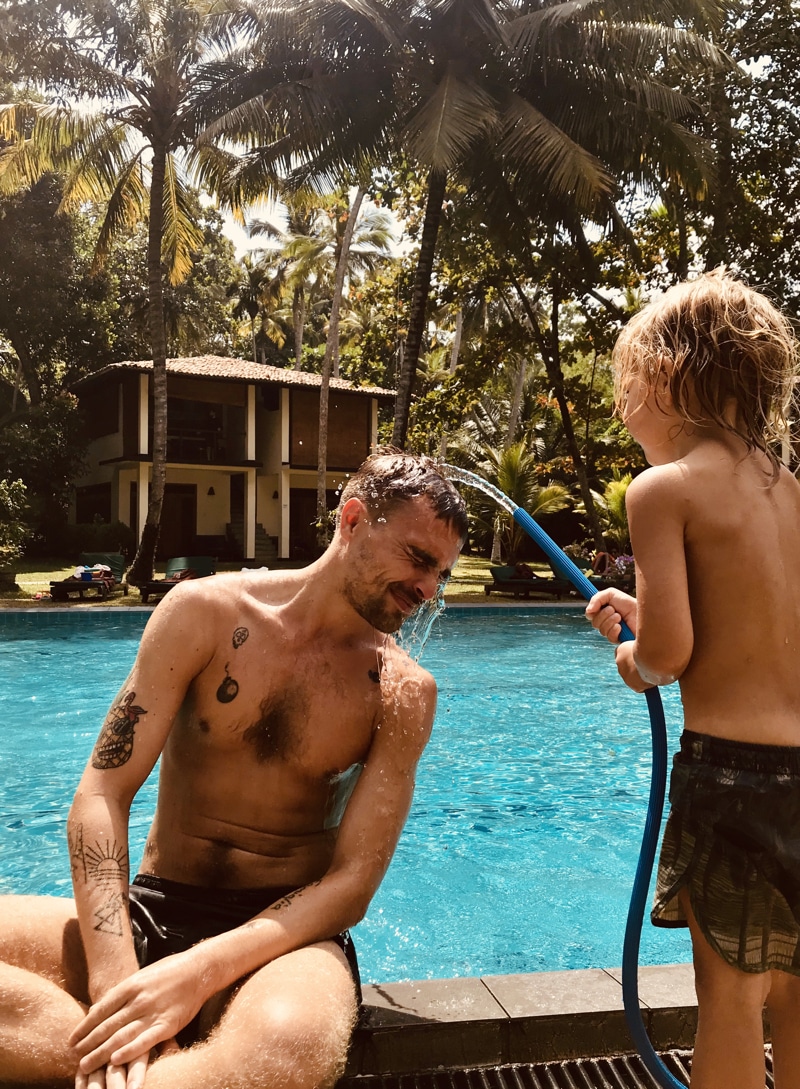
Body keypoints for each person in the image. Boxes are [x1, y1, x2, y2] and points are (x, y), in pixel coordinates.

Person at [0, 450, 467, 1089]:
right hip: (150, 911)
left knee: (292, 1050)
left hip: (282, 942)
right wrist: (119, 984)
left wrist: (196, 974)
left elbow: (352, 884)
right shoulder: (207, 613)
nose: (429, 588)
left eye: (441, 571)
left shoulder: (403, 691)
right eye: (419, 559)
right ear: (354, 521)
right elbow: (101, 792)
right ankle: (142, 1065)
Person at [585, 269, 800, 1089]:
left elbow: (670, 655)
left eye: (628, 385)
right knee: (794, 991)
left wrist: (629, 655)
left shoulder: (661, 490)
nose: (622, 407)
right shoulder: (792, 493)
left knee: (733, 1001)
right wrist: (655, 608)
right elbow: (765, 625)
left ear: (672, 376)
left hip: (734, 778)